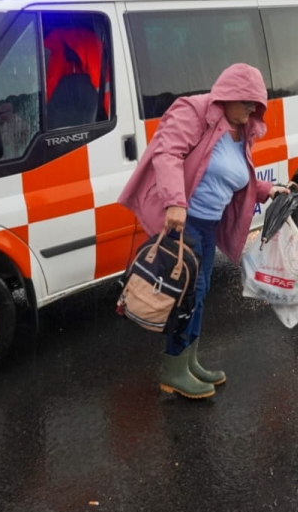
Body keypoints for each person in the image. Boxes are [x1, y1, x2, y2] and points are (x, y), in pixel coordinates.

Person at [119, 63, 289, 399]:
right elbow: (167, 153)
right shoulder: (194, 111)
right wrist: (174, 202)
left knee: (199, 292)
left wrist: (267, 190)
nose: (251, 110)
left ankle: (189, 361)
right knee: (186, 293)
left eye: (257, 105)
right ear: (227, 95)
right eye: (246, 103)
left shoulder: (242, 129)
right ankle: (173, 370)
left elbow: (234, 175)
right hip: (186, 221)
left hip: (209, 224)